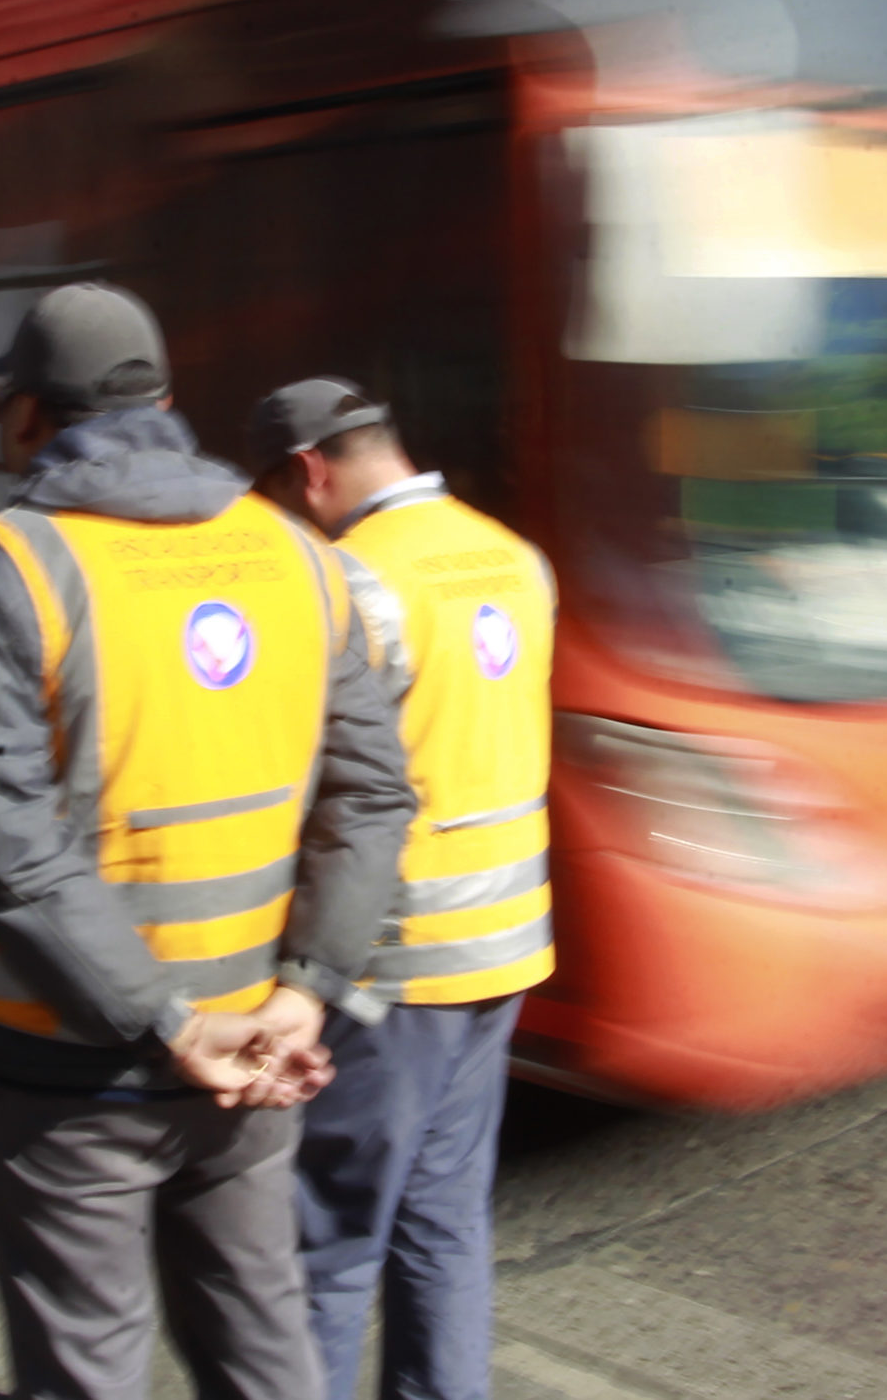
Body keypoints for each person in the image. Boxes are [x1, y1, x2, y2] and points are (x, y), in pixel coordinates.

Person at [0, 287, 414, 1400]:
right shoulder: (296, 555)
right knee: (262, 1349)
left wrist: (166, 1021)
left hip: (74, 1068)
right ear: (167, 403)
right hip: (256, 1053)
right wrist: (307, 991)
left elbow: (0, 843)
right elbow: (373, 795)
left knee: (87, 1364)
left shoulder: (6, 567)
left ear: (30, 415)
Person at [249, 378, 556, 1400]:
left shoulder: (352, 582)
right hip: (508, 946)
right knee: (444, 1222)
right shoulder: (515, 558)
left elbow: (319, 786)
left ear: (309, 469)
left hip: (394, 967)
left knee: (329, 1243)